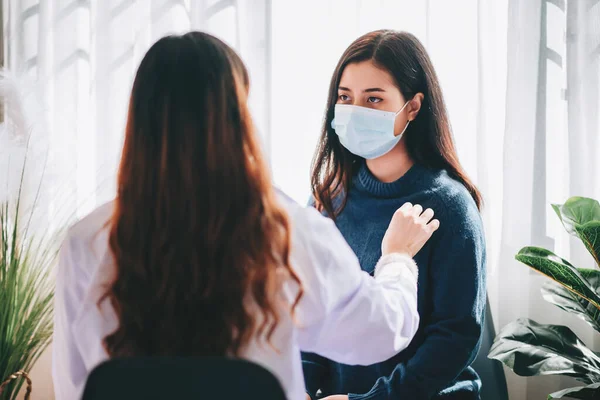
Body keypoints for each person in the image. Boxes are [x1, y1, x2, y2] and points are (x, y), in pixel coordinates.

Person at [51, 31, 440, 400]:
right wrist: (397, 259)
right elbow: (382, 331)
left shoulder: (85, 243)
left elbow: (74, 388)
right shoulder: (286, 232)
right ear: (237, 119)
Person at [302, 30, 487, 400]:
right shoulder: (326, 200)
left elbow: (454, 336)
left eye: (374, 99)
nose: (356, 111)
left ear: (413, 107)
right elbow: (310, 316)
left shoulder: (449, 207)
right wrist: (301, 388)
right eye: (345, 98)